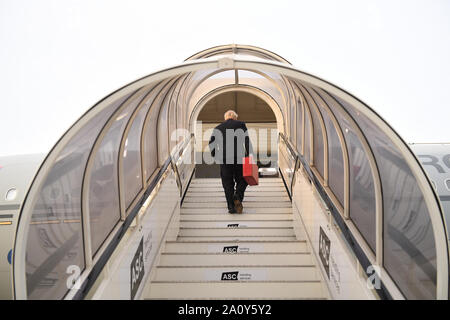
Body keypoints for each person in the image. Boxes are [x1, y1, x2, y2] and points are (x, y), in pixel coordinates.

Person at [208, 110, 253, 214]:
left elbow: (211, 144)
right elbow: (247, 140)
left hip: (224, 159)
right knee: (243, 179)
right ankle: (238, 195)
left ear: (225, 118)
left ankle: (231, 207)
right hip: (240, 157)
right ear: (235, 117)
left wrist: (216, 155)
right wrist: (249, 155)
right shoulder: (241, 124)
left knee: (227, 183)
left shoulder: (218, 128)